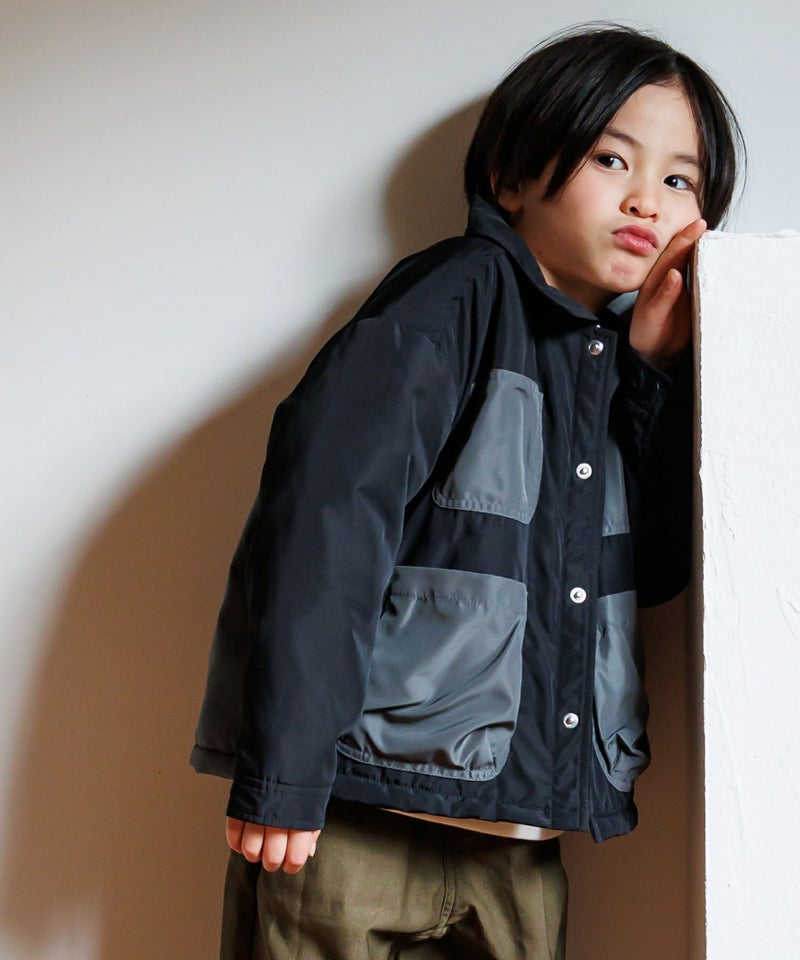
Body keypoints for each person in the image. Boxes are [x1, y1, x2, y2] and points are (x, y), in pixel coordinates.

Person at [191, 23, 744, 960]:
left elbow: (655, 575)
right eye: (611, 158)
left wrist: (651, 374)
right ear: (511, 176)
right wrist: (283, 772)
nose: (646, 199)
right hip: (357, 818)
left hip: (519, 843)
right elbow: (328, 526)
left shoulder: (619, 368)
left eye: (681, 180)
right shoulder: (449, 301)